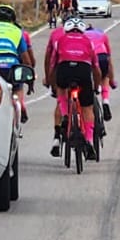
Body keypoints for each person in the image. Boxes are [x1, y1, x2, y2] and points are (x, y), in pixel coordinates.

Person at [45, 16, 101, 161]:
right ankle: (88, 140)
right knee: (87, 108)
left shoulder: (60, 40)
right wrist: (96, 85)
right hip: (83, 71)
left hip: (65, 69)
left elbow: (52, 65)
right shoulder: (89, 41)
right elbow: (96, 68)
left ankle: (64, 116)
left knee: (62, 91)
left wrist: (51, 83)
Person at [83, 24, 117, 120]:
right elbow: (109, 59)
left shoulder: (82, 36)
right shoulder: (102, 35)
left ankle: (96, 88)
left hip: (88, 59)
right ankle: (105, 101)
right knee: (104, 77)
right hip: (102, 56)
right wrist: (112, 81)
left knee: (88, 79)